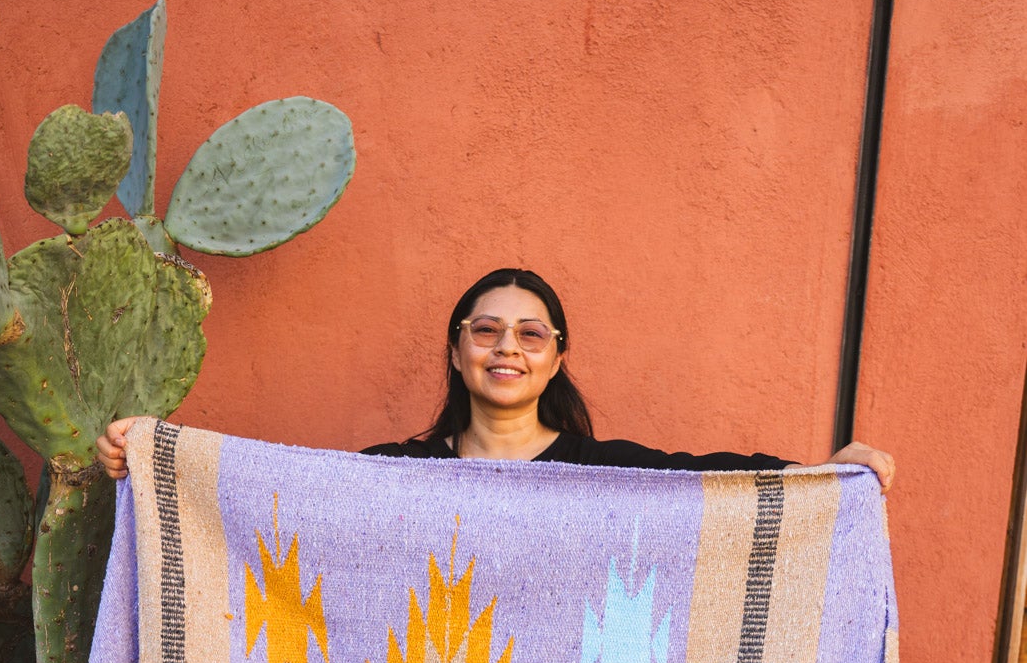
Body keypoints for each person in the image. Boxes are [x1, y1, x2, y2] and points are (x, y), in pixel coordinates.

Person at [96, 267, 894, 489]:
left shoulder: (602, 474)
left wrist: (827, 476)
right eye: (486, 330)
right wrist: (164, 457)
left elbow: (712, 483)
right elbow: (282, 484)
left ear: (556, 356)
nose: (506, 347)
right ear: (456, 351)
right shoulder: (398, 474)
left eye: (529, 333)